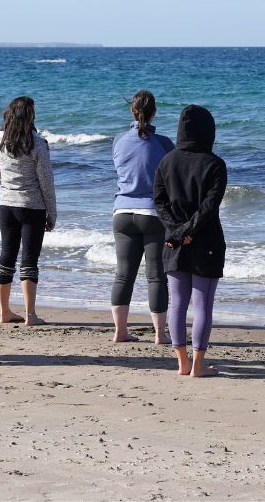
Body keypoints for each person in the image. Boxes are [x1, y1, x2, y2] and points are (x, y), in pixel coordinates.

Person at [153, 104, 227, 377]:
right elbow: (209, 208)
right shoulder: (215, 164)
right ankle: (197, 365)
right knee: (201, 305)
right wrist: (188, 232)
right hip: (205, 242)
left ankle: (182, 362)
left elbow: (159, 202)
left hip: (172, 242)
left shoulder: (167, 160)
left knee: (177, 303)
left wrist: (176, 231)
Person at [110, 90, 174, 343]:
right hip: (152, 213)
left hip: (122, 211)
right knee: (156, 275)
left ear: (131, 110)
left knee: (123, 274)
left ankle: (120, 331)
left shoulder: (118, 140)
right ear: (154, 111)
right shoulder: (164, 143)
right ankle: (160, 334)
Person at [0, 96, 57, 327]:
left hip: (7, 205)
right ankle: (30, 315)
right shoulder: (38, 143)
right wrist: (52, 213)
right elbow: (46, 182)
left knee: (6, 257)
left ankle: (4, 311)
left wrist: (6, 193)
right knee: (29, 259)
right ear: (30, 116)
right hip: (32, 206)